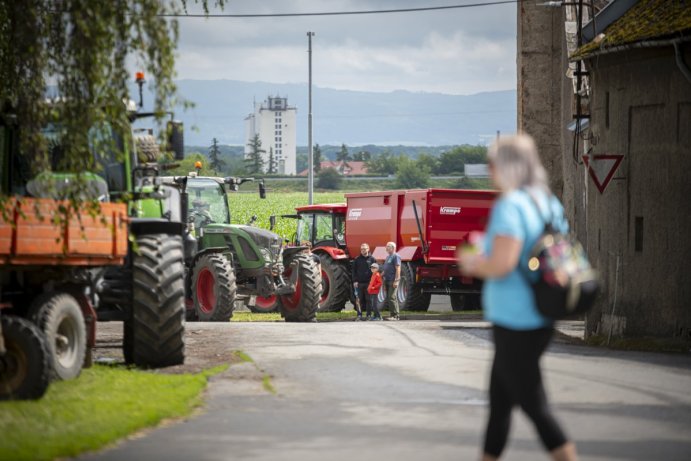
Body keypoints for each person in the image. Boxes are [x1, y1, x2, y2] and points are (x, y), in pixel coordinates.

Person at [457, 134, 578, 461]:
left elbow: (503, 263)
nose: (490, 170)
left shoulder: (510, 205)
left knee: (534, 405)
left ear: (507, 166)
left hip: (516, 319)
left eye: (492, 163)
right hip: (540, 312)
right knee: (499, 404)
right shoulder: (546, 201)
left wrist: (472, 261)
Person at [351, 243, 376, 320]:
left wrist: (374, 282)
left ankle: (368, 315)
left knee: (369, 300)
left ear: (368, 249)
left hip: (369, 283)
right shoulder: (357, 259)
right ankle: (359, 315)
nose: (363, 250)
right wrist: (355, 281)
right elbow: (353, 271)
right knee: (359, 300)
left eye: (364, 249)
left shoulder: (372, 259)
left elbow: (375, 271)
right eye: (361, 249)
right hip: (359, 283)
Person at [381, 241, 401, 321]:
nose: (386, 248)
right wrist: (379, 276)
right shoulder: (388, 257)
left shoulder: (396, 256)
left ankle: (396, 316)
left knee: (392, 297)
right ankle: (392, 314)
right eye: (386, 246)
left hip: (393, 280)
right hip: (387, 280)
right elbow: (385, 269)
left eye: (388, 246)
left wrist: (396, 280)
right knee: (390, 297)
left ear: (393, 248)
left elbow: (398, 268)